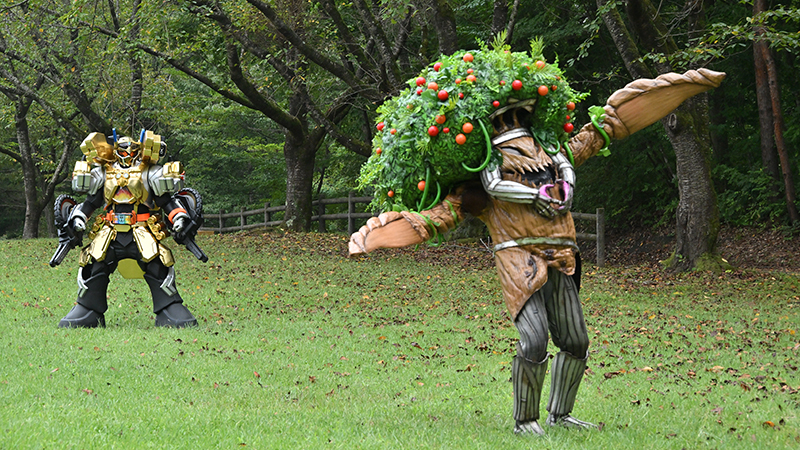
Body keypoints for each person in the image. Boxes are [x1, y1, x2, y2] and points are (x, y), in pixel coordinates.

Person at [349, 47, 725, 434]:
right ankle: (525, 420)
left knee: (576, 340)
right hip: (518, 258)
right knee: (532, 340)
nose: (519, 131)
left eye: (523, 117)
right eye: (508, 121)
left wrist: (673, 89)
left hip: (563, 255)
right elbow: (436, 218)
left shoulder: (555, 156)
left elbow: (604, 129)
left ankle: (560, 415)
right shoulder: (483, 182)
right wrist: (380, 234)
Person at [53, 129, 205, 328]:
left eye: (131, 150)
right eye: (122, 150)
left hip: (141, 229)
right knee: (94, 264)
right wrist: (79, 217)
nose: (126, 154)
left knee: (158, 264)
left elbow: (166, 201)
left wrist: (179, 217)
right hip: (110, 229)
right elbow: (90, 202)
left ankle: (170, 310)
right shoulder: (103, 172)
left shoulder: (150, 172)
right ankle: (88, 310)